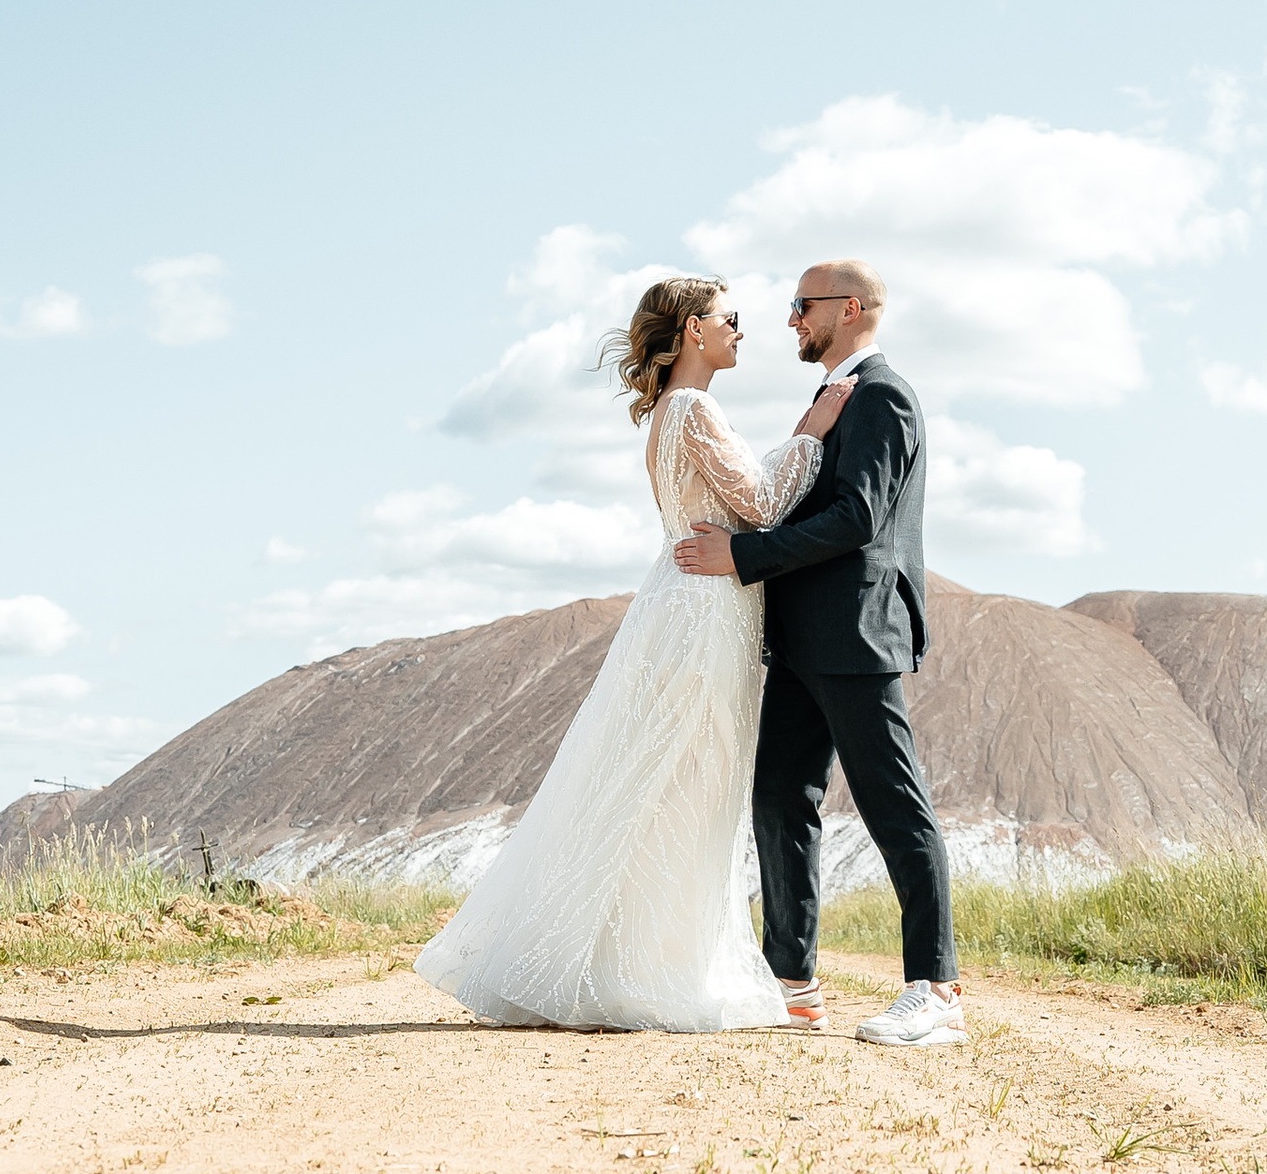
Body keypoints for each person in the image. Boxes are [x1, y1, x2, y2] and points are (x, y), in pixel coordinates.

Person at [413, 277, 850, 1030]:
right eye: (730, 317)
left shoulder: (675, 412)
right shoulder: (693, 409)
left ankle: (633, 962)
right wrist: (811, 433)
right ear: (693, 331)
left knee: (668, 783)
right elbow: (762, 504)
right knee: (684, 783)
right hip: (704, 611)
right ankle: (643, 970)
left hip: (695, 604)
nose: (742, 329)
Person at [672, 259, 965, 1051]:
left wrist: (743, 556)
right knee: (778, 798)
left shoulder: (883, 395)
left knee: (893, 805)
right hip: (802, 638)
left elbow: (857, 517)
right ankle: (791, 986)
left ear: (850, 309)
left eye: (802, 304)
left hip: (856, 633)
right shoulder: (833, 399)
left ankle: (936, 991)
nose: (791, 319)